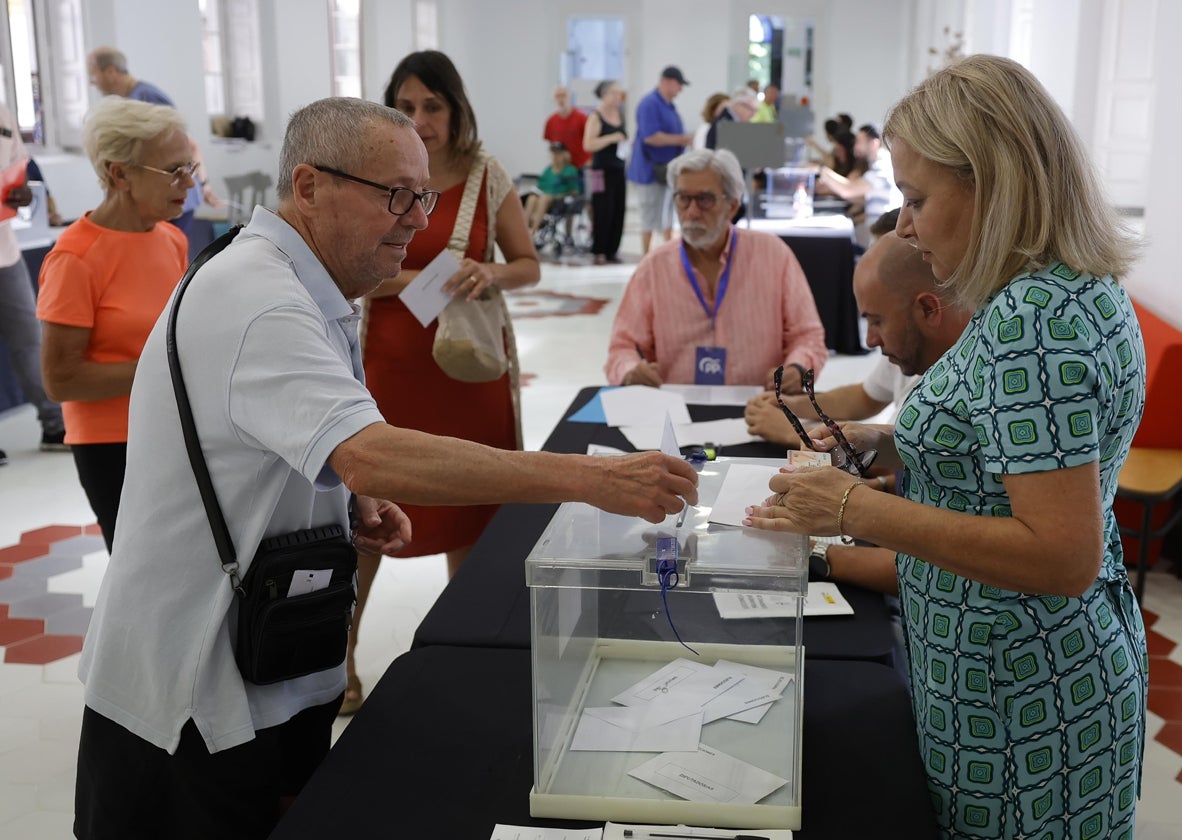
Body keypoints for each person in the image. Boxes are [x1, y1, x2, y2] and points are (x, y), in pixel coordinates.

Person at [73, 96, 698, 840]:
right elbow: (369, 447)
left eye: (424, 195)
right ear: (308, 187)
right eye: (395, 194)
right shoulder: (260, 299)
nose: (415, 217)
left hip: (270, 660)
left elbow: (304, 445)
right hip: (190, 693)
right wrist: (592, 480)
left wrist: (345, 501)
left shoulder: (311, 287)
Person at [745, 55, 1147, 839]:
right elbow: (1011, 457)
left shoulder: (1036, 323)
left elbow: (1060, 553)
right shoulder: (1054, 291)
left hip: (1027, 697)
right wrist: (885, 446)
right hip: (1009, 674)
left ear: (992, 185)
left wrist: (855, 506)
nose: (904, 224)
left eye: (918, 199)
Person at [344, 50, 540, 713]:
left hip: (470, 369)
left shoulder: (488, 176)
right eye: (405, 106)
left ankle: (469, 650)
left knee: (471, 508)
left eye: (433, 106)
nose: (421, 120)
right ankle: (339, 658)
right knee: (371, 507)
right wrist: (404, 283)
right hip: (393, 365)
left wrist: (490, 272)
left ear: (456, 110)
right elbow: (350, 265)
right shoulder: (373, 176)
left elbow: (528, 265)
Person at [36, 97, 191, 552]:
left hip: (174, 427)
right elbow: (60, 379)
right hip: (113, 445)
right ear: (119, 173)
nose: (188, 182)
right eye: (173, 171)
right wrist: (168, 365)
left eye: (190, 167)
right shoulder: (75, 258)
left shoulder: (171, 238)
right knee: (144, 575)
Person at [605, 148, 826, 389]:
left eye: (705, 200)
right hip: (675, 411)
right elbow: (622, 347)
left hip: (760, 408)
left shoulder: (774, 256)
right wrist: (630, 370)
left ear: (731, 206)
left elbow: (808, 336)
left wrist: (798, 368)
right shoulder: (654, 267)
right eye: (683, 198)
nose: (691, 212)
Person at [745, 232, 970, 449]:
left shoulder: (970, 380)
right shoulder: (916, 345)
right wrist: (792, 406)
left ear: (928, 309)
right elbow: (866, 397)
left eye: (877, 321)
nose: (870, 341)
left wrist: (794, 433)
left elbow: (904, 463)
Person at [86, 46, 218, 237]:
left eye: (93, 74)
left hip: (173, 198)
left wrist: (204, 185)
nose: (92, 81)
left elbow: (188, 146)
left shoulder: (146, 98)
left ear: (111, 71)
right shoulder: (130, 101)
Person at [0, 102, 66, 467]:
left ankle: (54, 426)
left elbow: (17, 166)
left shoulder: (2, 111)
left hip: (4, 250)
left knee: (29, 336)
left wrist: (21, 192)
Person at [627, 65, 692, 255]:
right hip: (650, 170)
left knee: (667, 216)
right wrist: (681, 139)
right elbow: (650, 137)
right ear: (668, 82)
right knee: (650, 216)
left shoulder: (669, 105)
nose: (680, 90)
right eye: (679, 85)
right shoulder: (650, 104)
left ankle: (668, 254)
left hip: (667, 171)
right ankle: (647, 257)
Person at [817, 123, 902, 245]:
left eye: (859, 142)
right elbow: (861, 196)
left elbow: (847, 190)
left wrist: (822, 171)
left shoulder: (882, 166)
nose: (855, 147)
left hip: (883, 235)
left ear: (873, 143)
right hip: (878, 231)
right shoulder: (876, 164)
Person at [582, 79, 626, 265]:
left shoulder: (619, 114)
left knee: (618, 208)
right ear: (604, 94)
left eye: (619, 93)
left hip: (618, 169)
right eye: (614, 93)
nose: (618, 97)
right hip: (600, 171)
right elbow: (588, 144)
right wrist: (611, 138)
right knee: (602, 208)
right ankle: (599, 249)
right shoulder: (595, 116)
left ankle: (612, 250)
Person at [523, 141, 581, 234]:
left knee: (545, 198)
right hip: (544, 196)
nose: (555, 156)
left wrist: (561, 195)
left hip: (560, 199)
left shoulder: (570, 170)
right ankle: (523, 228)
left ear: (564, 155)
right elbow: (540, 186)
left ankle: (534, 230)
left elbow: (575, 191)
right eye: (553, 153)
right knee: (532, 198)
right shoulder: (548, 170)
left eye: (557, 153)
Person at [542, 85, 589, 171]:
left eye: (563, 95)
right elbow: (551, 143)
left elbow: (590, 140)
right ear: (553, 100)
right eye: (557, 96)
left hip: (581, 167)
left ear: (569, 97)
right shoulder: (551, 121)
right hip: (561, 168)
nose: (561, 99)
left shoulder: (582, 118)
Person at [707, 86, 758, 151]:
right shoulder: (725, 123)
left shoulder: (730, 120)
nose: (753, 114)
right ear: (738, 104)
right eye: (751, 109)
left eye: (755, 111)